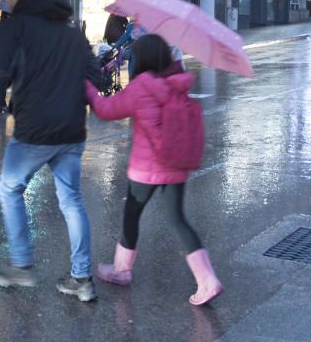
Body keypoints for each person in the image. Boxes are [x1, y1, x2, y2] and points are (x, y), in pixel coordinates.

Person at [0, 0, 97, 302]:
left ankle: (22, 265)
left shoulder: (16, 25)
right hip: (73, 128)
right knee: (72, 200)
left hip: (35, 130)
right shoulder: (72, 31)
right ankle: (82, 279)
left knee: (9, 187)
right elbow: (94, 72)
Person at [85, 34, 223, 306]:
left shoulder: (141, 87)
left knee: (132, 214)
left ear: (142, 59)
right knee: (177, 218)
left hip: (146, 168)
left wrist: (88, 87)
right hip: (176, 162)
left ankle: (122, 270)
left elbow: (105, 109)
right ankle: (207, 280)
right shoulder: (177, 82)